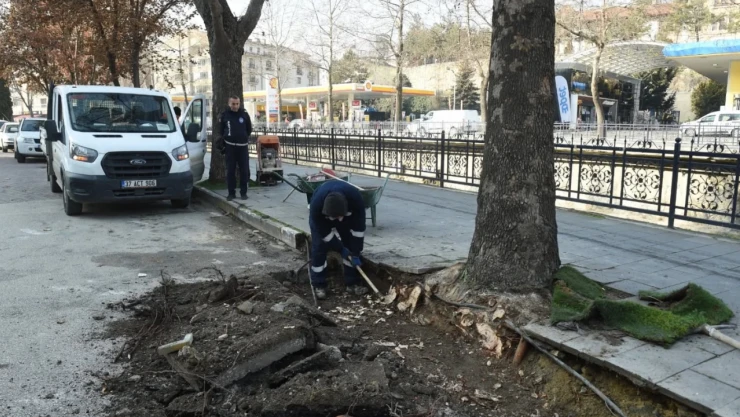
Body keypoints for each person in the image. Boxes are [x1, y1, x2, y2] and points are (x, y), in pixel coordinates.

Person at [308, 180, 368, 299]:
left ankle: (352, 283)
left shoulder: (356, 200)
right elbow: (325, 234)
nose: (339, 220)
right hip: (322, 219)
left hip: (347, 213)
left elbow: (358, 230)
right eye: (335, 217)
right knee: (319, 247)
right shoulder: (316, 206)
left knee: (350, 244)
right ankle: (319, 284)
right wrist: (340, 249)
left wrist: (356, 252)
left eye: (340, 216)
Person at [217, 95, 252, 201]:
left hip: (242, 147)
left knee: (244, 171)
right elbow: (221, 130)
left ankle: (243, 192)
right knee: (230, 171)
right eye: (233, 104)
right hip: (230, 147)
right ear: (229, 103)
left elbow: (249, 129)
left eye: (237, 104)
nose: (235, 106)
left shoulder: (244, 114)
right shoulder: (225, 115)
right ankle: (231, 193)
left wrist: (242, 137)